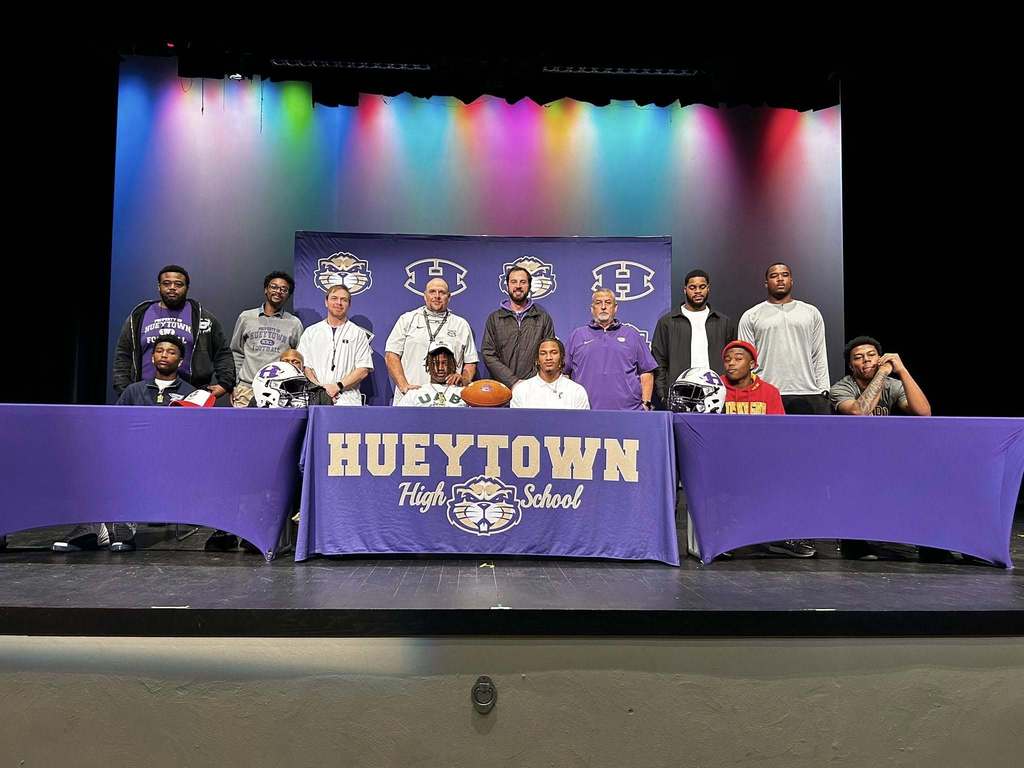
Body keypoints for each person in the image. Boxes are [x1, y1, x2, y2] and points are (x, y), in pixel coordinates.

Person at [112, 264, 235, 402]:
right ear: (158, 286)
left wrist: (225, 383)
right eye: (166, 283)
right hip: (143, 396)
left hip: (190, 397)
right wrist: (126, 391)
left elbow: (223, 352)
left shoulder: (202, 318)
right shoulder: (139, 316)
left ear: (187, 288)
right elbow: (123, 355)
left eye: (178, 284)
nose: (172, 287)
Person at [738, 262, 830, 414]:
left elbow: (819, 353)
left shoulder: (811, 312)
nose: (780, 279)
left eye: (785, 275)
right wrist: (748, 390)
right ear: (766, 283)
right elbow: (746, 359)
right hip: (765, 392)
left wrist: (824, 388)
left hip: (807, 391)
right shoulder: (751, 316)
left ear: (791, 281)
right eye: (774, 276)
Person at [652, 269, 736, 408]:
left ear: (708, 288)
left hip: (716, 393)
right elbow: (659, 361)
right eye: (692, 287)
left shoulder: (723, 322)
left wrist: (730, 391)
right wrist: (663, 395)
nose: (697, 291)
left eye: (702, 287)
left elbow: (731, 359)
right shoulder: (667, 322)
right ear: (685, 290)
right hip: (680, 394)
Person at [385, 277, 478, 404]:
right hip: (412, 398)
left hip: (450, 401)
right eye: (432, 291)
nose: (437, 296)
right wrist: (403, 386)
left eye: (442, 292)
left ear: (449, 297)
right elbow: (391, 355)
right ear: (425, 296)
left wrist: (465, 379)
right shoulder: (407, 319)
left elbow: (470, 362)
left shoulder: (461, 324)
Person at [563, 289, 657, 411]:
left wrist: (646, 403)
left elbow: (646, 372)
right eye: (598, 303)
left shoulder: (632, 335)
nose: (603, 307)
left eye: (608, 302)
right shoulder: (577, 335)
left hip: (628, 412)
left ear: (615, 308)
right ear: (592, 309)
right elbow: (564, 373)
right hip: (585, 411)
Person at [229, 271, 303, 407]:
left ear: (288, 295)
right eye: (274, 287)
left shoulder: (294, 323)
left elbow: (298, 359)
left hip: (278, 391)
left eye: (283, 289)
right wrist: (234, 385)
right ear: (266, 290)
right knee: (242, 422)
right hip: (246, 389)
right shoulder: (246, 317)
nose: (278, 291)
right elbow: (236, 353)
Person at [296, 284, 373, 406]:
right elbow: (305, 366)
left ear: (349, 304)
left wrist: (337, 386)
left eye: (344, 300)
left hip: (348, 401)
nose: (339, 302)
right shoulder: (311, 332)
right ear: (326, 302)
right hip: (315, 399)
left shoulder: (358, 333)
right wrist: (321, 389)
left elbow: (363, 369)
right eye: (334, 298)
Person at [481, 265, 555, 389]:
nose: (518, 286)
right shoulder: (494, 319)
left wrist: (529, 383)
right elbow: (489, 354)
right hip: (502, 388)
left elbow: (547, 354)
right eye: (514, 282)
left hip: (535, 389)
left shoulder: (543, 318)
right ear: (507, 286)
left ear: (529, 286)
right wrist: (512, 381)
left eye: (523, 282)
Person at [510, 338, 590, 409]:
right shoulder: (521, 390)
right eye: (543, 353)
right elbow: (517, 421)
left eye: (554, 353)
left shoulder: (577, 391)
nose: (548, 358)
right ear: (537, 360)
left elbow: (582, 421)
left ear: (562, 358)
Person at [397, 344, 468, 407]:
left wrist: (466, 382)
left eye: (445, 363)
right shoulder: (414, 394)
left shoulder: (464, 393)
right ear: (428, 365)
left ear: (452, 364)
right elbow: (399, 416)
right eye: (435, 363)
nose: (440, 368)